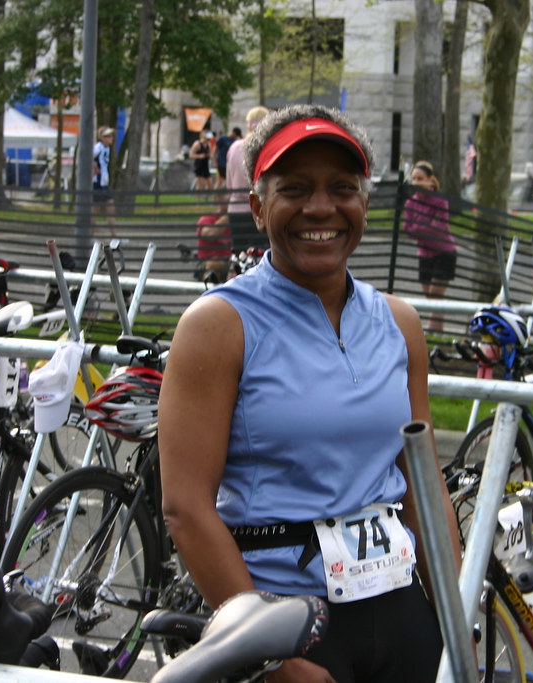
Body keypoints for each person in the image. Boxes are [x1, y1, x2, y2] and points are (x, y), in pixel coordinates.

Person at [159, 104, 461, 683]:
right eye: (294, 189)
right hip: (283, 621)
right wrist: (266, 656)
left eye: (342, 188)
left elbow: (425, 487)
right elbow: (186, 507)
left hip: (401, 614)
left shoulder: (400, 323)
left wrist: (454, 611)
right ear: (256, 204)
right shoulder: (218, 325)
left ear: (364, 203)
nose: (321, 207)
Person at [403, 160, 456, 333]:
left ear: (431, 180)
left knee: (435, 293)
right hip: (424, 254)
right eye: (414, 178)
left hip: (444, 253)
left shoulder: (440, 201)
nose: (416, 182)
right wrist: (424, 227)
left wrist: (419, 227)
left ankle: (433, 331)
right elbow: (408, 230)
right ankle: (438, 332)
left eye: (420, 178)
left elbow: (438, 227)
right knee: (431, 296)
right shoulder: (411, 203)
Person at [225, 105, 270, 252]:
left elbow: (229, 183)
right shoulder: (264, 147)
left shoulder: (234, 147)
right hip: (258, 209)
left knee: (239, 254)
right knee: (260, 254)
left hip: (235, 210)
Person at [92, 126, 116, 231]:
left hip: (104, 182)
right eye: (107, 136)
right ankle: (91, 232)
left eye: (111, 136)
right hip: (98, 183)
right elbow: (87, 157)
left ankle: (114, 235)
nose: (111, 138)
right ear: (102, 138)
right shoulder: (98, 147)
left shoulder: (107, 148)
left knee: (102, 209)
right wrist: (94, 167)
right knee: (102, 208)